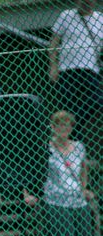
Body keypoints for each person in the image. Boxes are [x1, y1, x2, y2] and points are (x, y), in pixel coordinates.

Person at [24, 111, 102, 236]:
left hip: (78, 202)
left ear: (71, 128)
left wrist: (84, 188)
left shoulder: (79, 148)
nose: (63, 129)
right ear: (53, 126)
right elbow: (32, 170)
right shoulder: (45, 148)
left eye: (67, 126)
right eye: (59, 125)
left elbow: (83, 169)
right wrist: (27, 193)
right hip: (56, 202)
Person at [49, 0, 102, 157]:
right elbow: (54, 43)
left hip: (90, 70)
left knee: (96, 101)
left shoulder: (100, 19)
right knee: (68, 107)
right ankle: (73, 147)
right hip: (68, 70)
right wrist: (53, 66)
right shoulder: (66, 16)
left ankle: (77, 130)